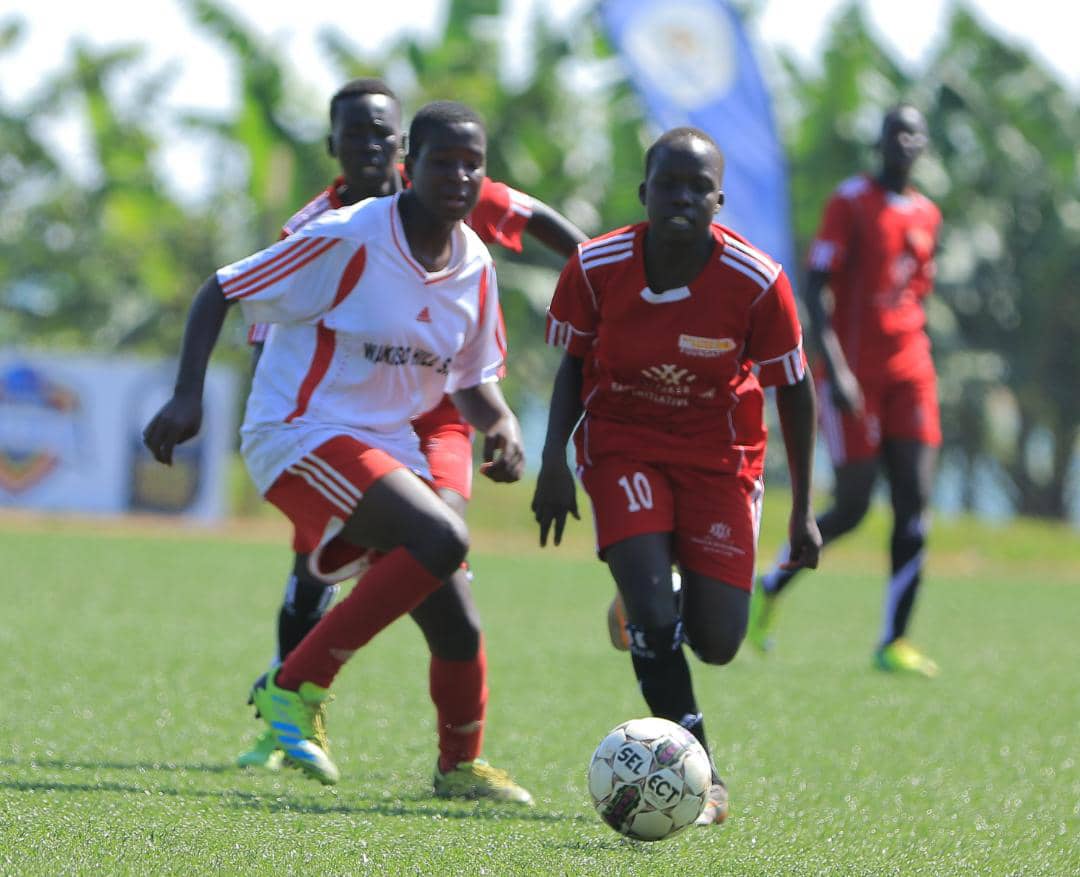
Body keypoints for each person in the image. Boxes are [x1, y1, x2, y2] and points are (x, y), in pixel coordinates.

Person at [144, 100, 535, 802]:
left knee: (456, 615)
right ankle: (293, 685)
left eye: (472, 164)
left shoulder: (475, 263)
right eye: (443, 162)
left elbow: (472, 381)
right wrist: (185, 397)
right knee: (442, 537)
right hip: (299, 430)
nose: (459, 176)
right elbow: (221, 289)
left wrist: (502, 423)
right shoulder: (349, 235)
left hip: (386, 445)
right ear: (409, 165)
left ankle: (459, 766)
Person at [236, 78, 586, 779]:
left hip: (434, 418)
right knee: (394, 552)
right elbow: (256, 319)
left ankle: (458, 766)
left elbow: (540, 228)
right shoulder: (324, 229)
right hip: (337, 424)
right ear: (336, 146)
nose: (370, 147)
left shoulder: (463, 211)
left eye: (381, 135)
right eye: (355, 135)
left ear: (399, 148)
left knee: (444, 571)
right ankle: (291, 693)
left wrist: (604, 276)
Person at [531, 127, 822, 826]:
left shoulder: (758, 282)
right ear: (644, 192)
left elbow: (795, 389)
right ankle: (704, 776)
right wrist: (553, 463)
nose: (683, 197)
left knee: (718, 642)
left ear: (719, 200)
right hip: (622, 445)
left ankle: (646, 597)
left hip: (720, 457)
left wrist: (803, 510)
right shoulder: (596, 266)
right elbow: (572, 365)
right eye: (669, 184)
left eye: (699, 187)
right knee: (657, 622)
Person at [747, 104, 943, 678]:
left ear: (923, 145)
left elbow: (915, 293)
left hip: (912, 371)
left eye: (912, 134)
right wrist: (836, 369)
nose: (903, 142)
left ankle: (894, 641)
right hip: (854, 376)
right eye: (893, 133)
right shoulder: (851, 202)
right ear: (879, 142)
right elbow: (815, 287)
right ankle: (771, 585)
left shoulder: (928, 213)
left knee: (915, 505)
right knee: (854, 504)